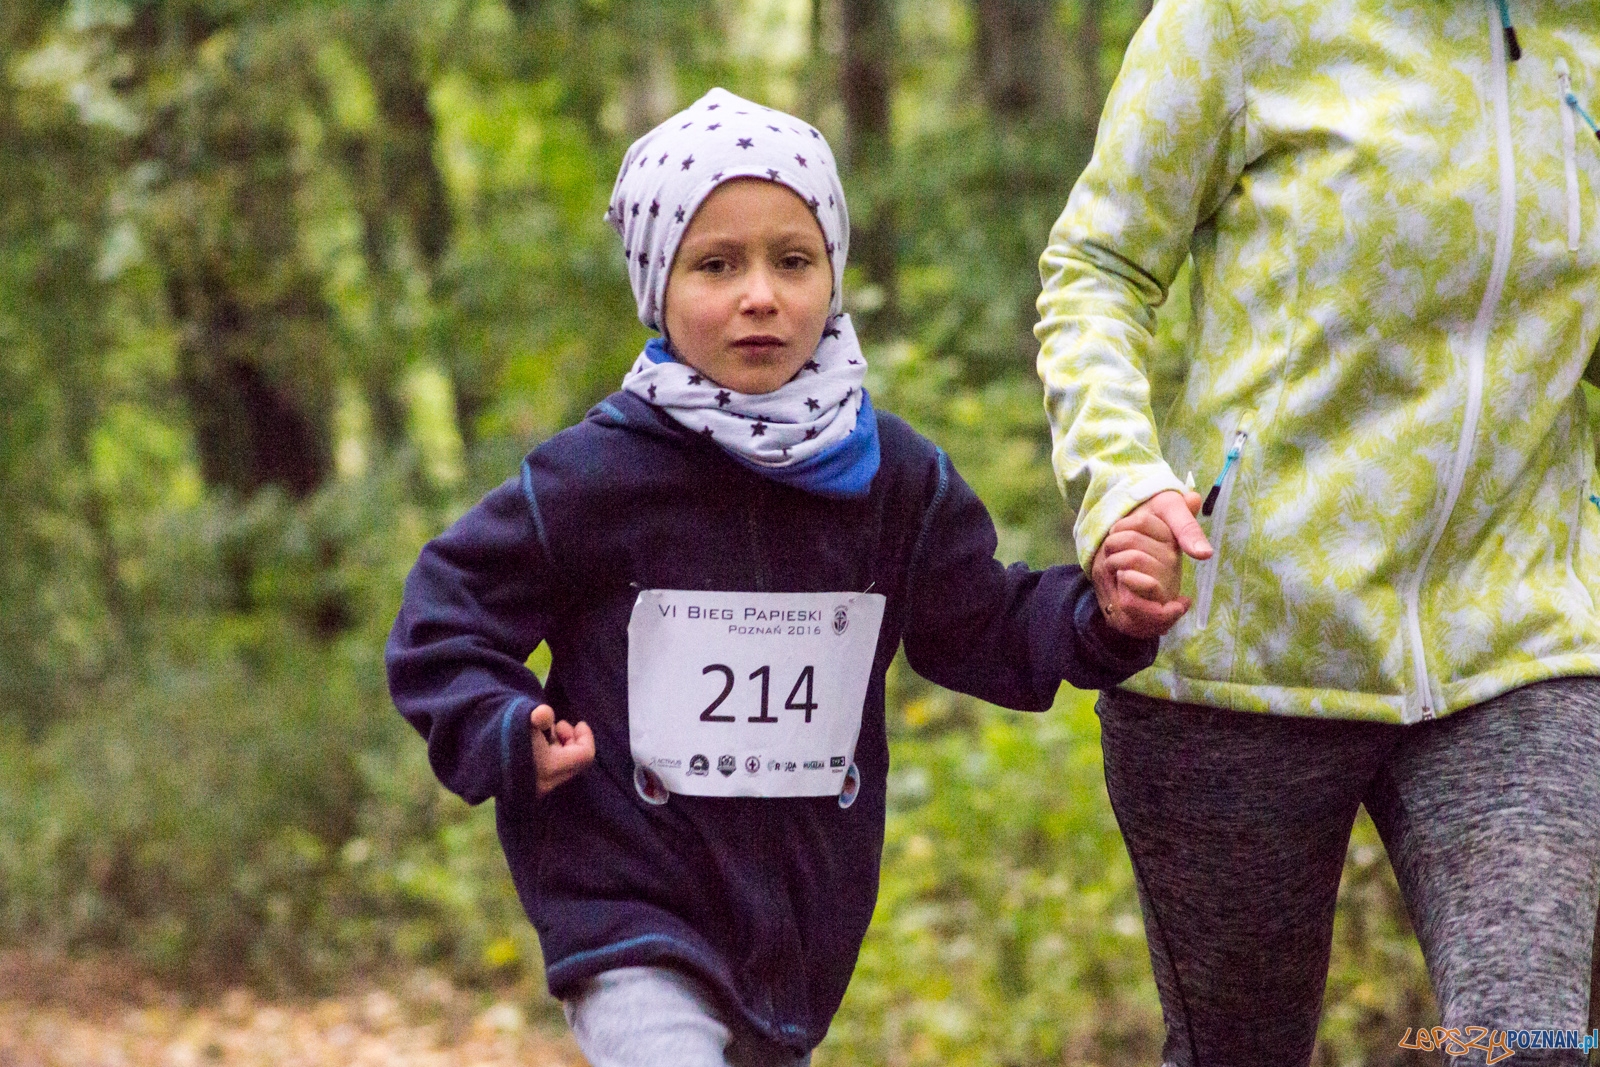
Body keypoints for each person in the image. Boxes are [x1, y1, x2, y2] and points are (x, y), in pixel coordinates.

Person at [386, 87, 1178, 1067]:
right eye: (716, 264)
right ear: (655, 285)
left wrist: (1100, 611)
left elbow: (984, 622)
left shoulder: (894, 478)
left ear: (832, 277)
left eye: (792, 260)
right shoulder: (593, 478)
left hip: (799, 917)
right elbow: (441, 619)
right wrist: (502, 725)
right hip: (624, 895)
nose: (759, 293)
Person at [1035, 1, 1600, 1064]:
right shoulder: (1237, 21)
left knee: (1527, 1039)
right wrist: (1119, 479)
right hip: (1250, 647)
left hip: (1521, 634)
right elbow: (1096, 273)